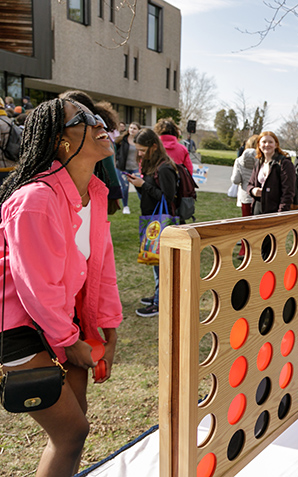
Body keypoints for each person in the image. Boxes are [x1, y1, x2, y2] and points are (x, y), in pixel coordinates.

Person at [0, 97, 122, 477]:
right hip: (16, 327)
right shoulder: (35, 199)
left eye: (98, 116)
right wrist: (70, 341)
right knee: (72, 431)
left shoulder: (96, 195)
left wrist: (108, 330)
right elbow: (35, 286)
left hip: (59, 320)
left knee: (75, 423)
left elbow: (102, 270)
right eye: (85, 119)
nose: (99, 122)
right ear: (60, 141)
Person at [125, 128, 178, 318]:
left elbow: (168, 197)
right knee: (156, 261)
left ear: (153, 146)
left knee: (161, 263)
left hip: (162, 222)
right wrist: (139, 184)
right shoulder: (152, 165)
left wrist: (143, 185)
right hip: (152, 220)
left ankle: (160, 302)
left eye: (142, 150)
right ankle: (158, 295)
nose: (139, 153)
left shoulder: (164, 168)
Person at [247, 131, 296, 214]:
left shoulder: (284, 164)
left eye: (270, 142)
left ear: (276, 145)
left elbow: (288, 192)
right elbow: (249, 185)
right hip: (258, 209)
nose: (267, 145)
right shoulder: (259, 163)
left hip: (275, 211)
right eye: (264, 142)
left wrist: (281, 213)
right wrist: (253, 190)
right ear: (259, 145)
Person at [114, 121, 141, 214]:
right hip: (122, 168)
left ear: (138, 130)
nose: (132, 130)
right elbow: (114, 150)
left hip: (135, 167)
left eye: (134, 128)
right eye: (131, 128)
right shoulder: (122, 140)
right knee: (125, 187)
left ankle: (144, 205)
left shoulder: (140, 141)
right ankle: (125, 207)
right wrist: (116, 161)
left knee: (139, 187)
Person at [231, 134, 258, 217]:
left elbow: (235, 180)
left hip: (245, 195)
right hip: (258, 195)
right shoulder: (262, 160)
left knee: (246, 223)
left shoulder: (239, 161)